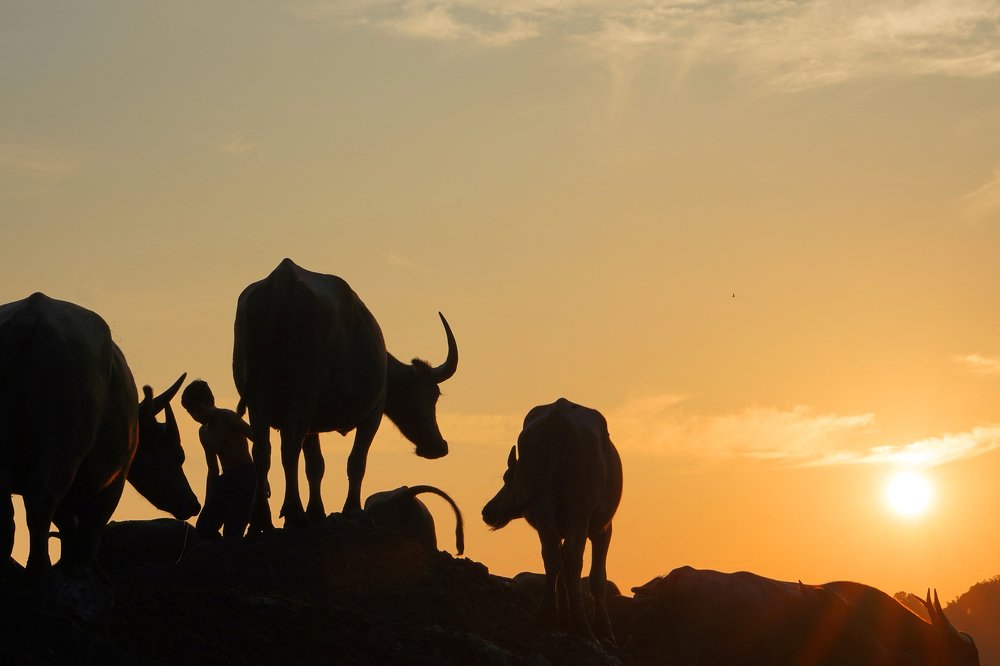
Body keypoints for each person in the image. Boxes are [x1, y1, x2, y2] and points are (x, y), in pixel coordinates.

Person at [181, 379, 256, 541]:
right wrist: (209, 501)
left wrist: (262, 477)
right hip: (226, 478)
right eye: (190, 412)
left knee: (233, 529)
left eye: (198, 410)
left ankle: (234, 554)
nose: (196, 416)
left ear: (209, 402)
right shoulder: (204, 433)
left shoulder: (228, 417)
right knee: (203, 527)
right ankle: (217, 554)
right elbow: (213, 469)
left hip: (247, 474)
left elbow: (259, 440)